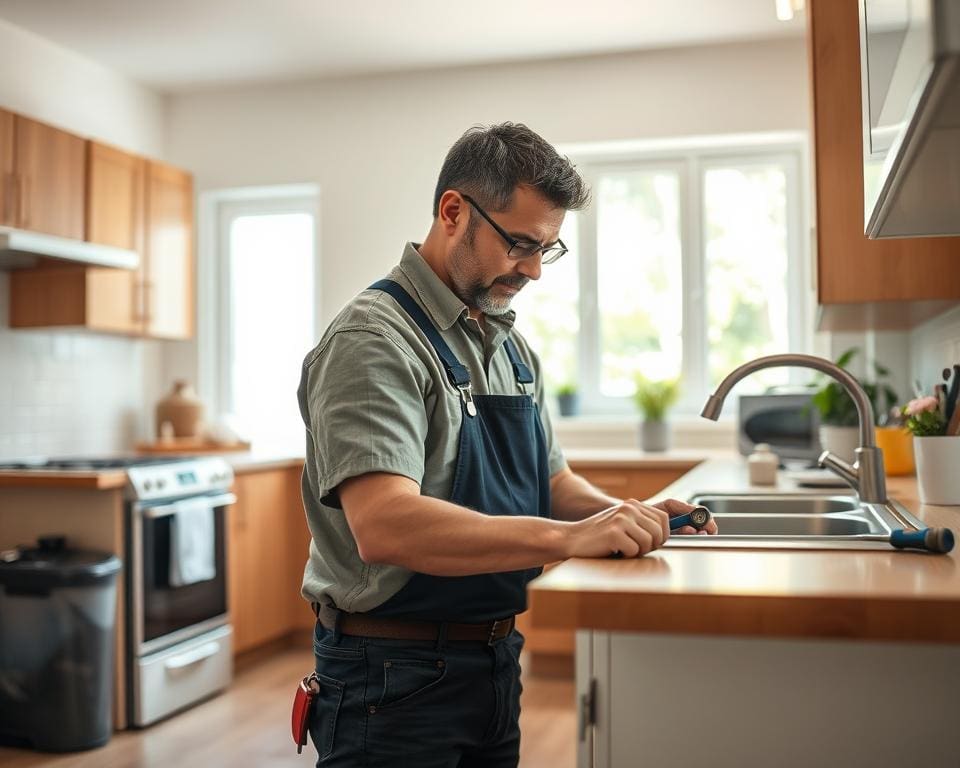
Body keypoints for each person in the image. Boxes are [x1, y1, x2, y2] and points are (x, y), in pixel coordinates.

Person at [296, 121, 718, 768]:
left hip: (493, 659)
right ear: (453, 212)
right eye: (519, 244)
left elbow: (552, 484)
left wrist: (626, 514)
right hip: (390, 677)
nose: (533, 270)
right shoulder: (373, 342)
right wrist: (569, 539)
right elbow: (385, 525)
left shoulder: (509, 347)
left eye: (546, 249)